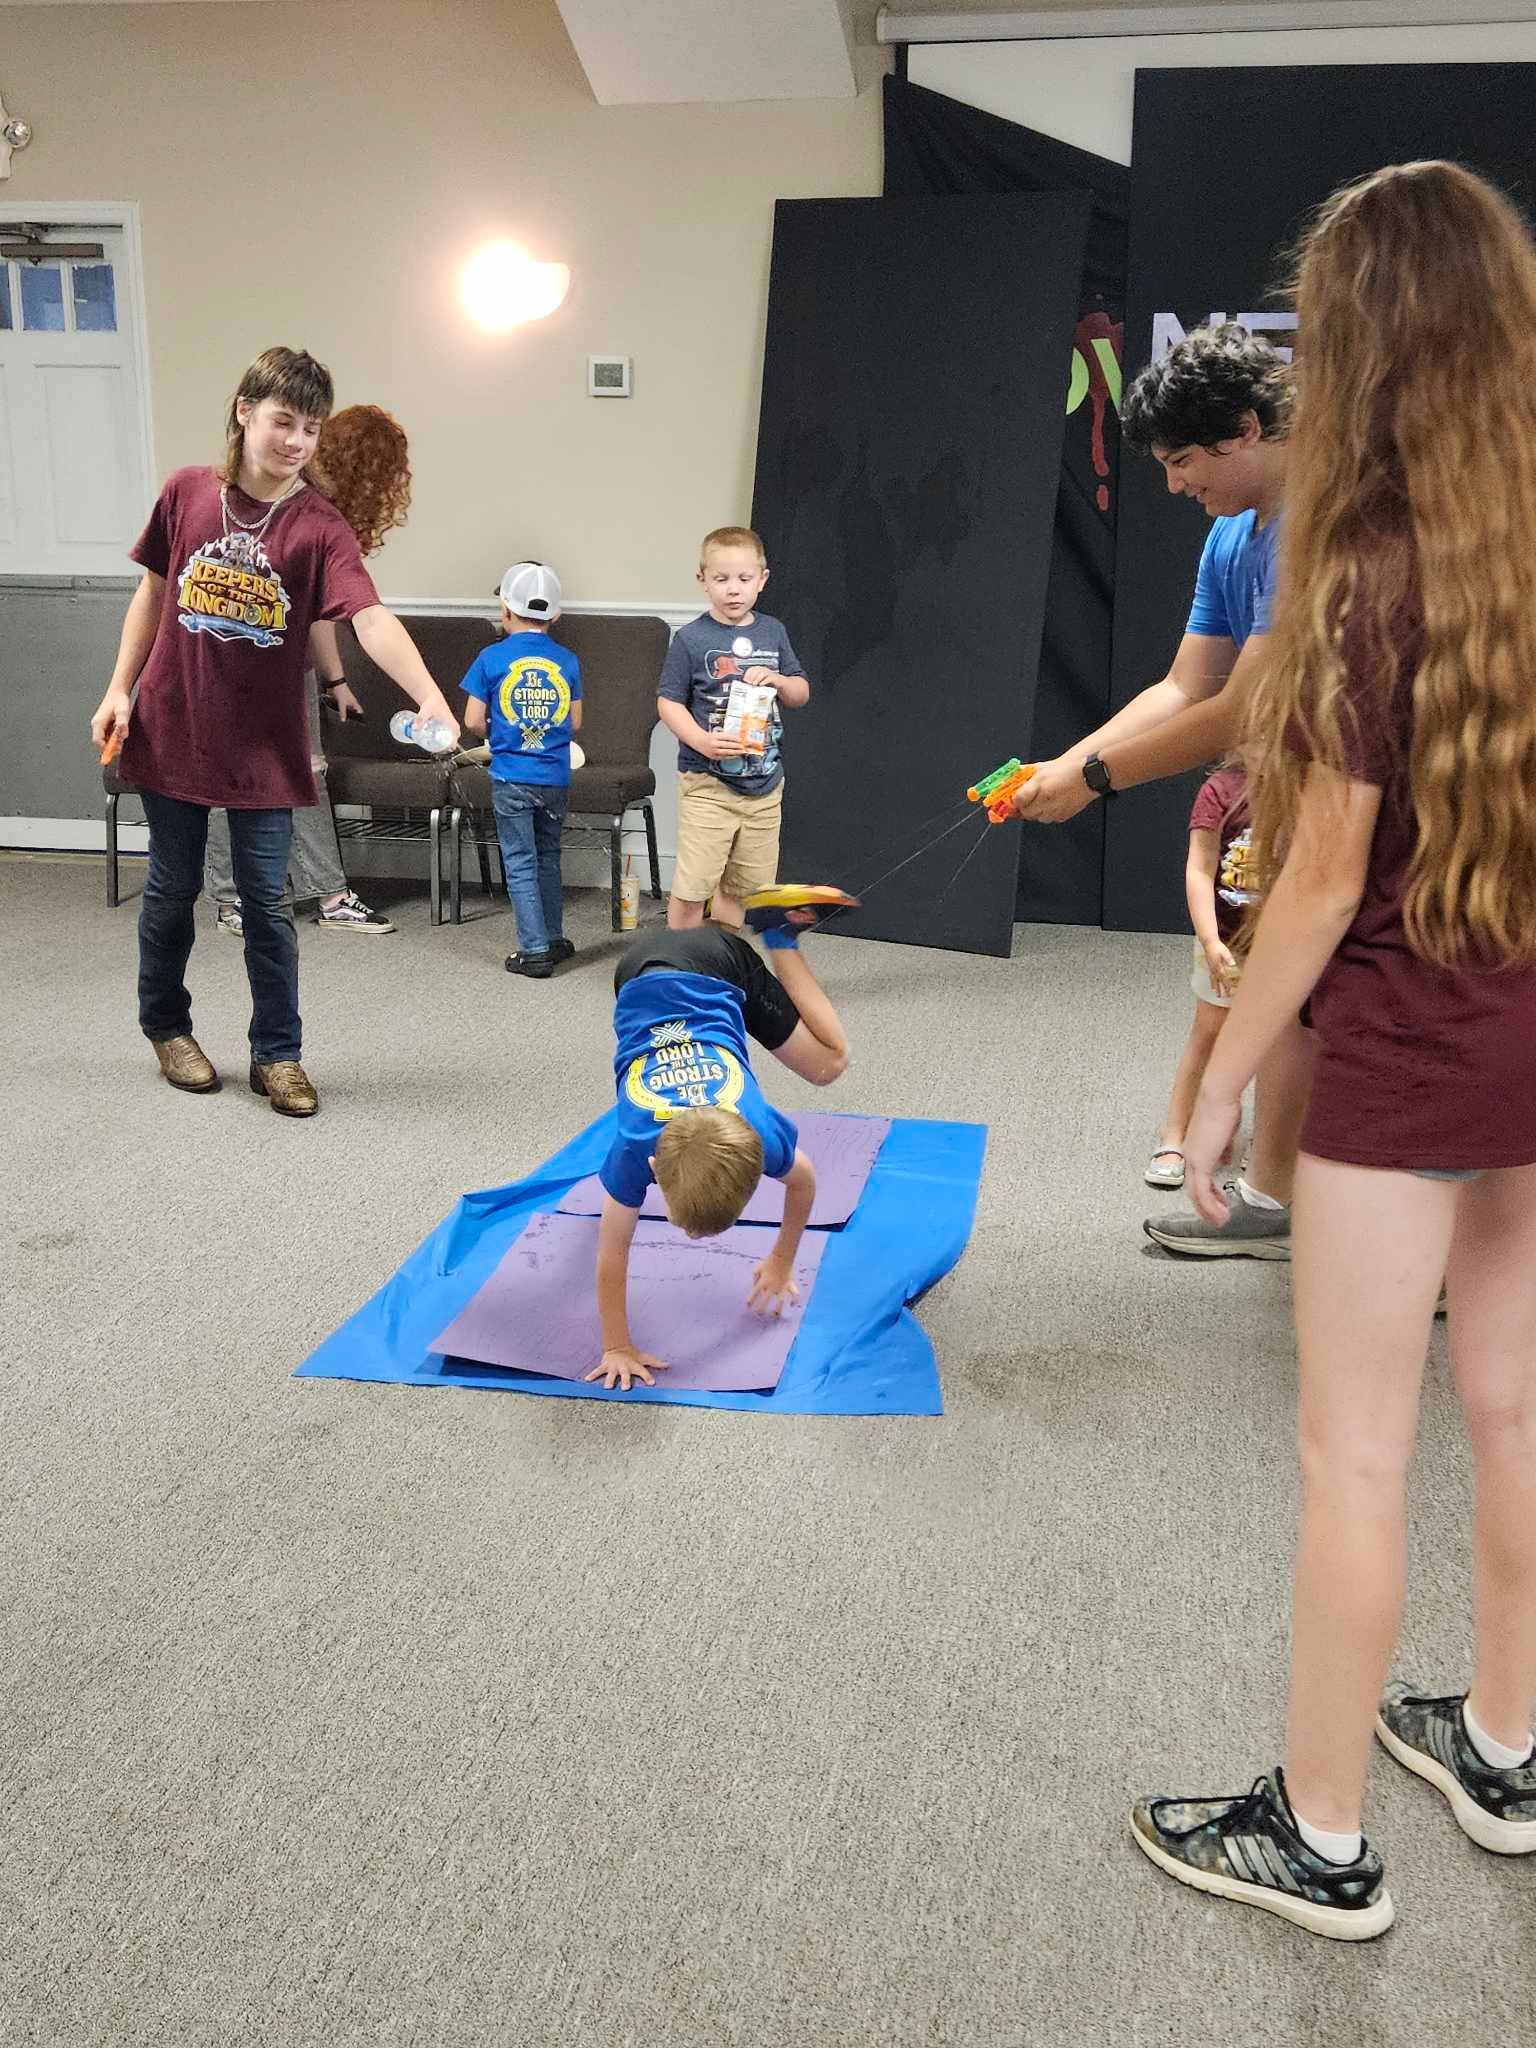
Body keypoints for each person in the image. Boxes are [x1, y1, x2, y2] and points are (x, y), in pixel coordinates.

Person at [1132, 161, 1536, 1942]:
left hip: (1407, 1048)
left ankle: (1319, 1835)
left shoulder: (1368, 567)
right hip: (1527, 1031)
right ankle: (1509, 1748)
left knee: (1356, 1452)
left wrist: (1219, 1083)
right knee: (1514, 1406)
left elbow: (1315, 880)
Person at [90, 348, 460, 1116]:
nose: (296, 441)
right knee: (174, 889)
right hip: (175, 722)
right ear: (244, 411)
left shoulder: (319, 527)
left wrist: (429, 694)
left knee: (268, 904)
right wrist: (119, 687)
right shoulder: (187, 493)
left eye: (311, 428)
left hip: (264, 745)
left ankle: (277, 1054)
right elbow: (152, 595)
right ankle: (167, 1028)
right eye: (283, 422)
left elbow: (369, 617)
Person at [1014, 327, 1305, 1258]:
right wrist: (1062, 764)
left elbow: (1242, 710)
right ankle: (1275, 1201)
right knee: (1293, 1009)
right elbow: (1186, 686)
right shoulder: (1230, 536)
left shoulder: (1317, 527)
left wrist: (1093, 780)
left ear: (1246, 429)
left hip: (1390, 800)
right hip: (1300, 798)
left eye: (1184, 461)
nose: (1176, 485)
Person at [589, 904, 848, 1391]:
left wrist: (782, 1259)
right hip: (652, 970)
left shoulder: (756, 1132)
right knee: (825, 1065)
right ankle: (774, 936)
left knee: (829, 1065)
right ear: (653, 1166)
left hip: (695, 967)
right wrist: (616, 1346)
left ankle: (779, 936)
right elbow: (610, 1254)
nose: (690, 1237)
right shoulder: (633, 1144)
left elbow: (805, 1182)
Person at [205, 403, 414, 938]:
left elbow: (316, 610)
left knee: (303, 773)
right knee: (235, 778)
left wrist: (335, 680)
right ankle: (237, 898)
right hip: (236, 660)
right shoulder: (289, 505)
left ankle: (322, 895)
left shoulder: (321, 515)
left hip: (284, 667)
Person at [657, 526, 810, 932]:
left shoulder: (773, 632)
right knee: (693, 887)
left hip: (764, 785)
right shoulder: (691, 639)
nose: (733, 589)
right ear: (702, 579)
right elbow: (668, 702)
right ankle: (678, 960)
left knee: (744, 890)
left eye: (744, 578)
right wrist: (702, 741)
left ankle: (723, 957)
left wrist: (779, 680)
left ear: (762, 579)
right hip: (708, 785)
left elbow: (800, 692)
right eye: (721, 579)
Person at [459, 562, 582, 979]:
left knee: (519, 861)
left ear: (505, 610)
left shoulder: (490, 657)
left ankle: (533, 951)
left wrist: (499, 730)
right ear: (555, 614)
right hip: (555, 778)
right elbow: (574, 722)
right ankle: (554, 938)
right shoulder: (568, 660)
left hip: (512, 776)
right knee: (548, 857)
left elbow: (472, 721)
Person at [1145, 761, 1253, 1191]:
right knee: (1208, 1034)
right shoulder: (1221, 791)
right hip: (1226, 941)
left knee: (1281, 1049)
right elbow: (1200, 868)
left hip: (1287, 944)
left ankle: (1269, 1150)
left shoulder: (1312, 784)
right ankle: (1175, 1135)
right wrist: (1210, 941)